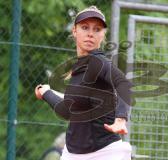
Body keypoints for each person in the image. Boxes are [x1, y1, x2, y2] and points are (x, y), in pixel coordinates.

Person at [35, 6, 132, 160]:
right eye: (85, 27)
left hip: (105, 153)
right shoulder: (79, 69)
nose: (90, 34)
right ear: (74, 31)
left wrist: (120, 119)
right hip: (72, 154)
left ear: (103, 35)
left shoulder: (99, 63)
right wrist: (46, 92)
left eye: (97, 29)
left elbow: (123, 84)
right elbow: (68, 111)